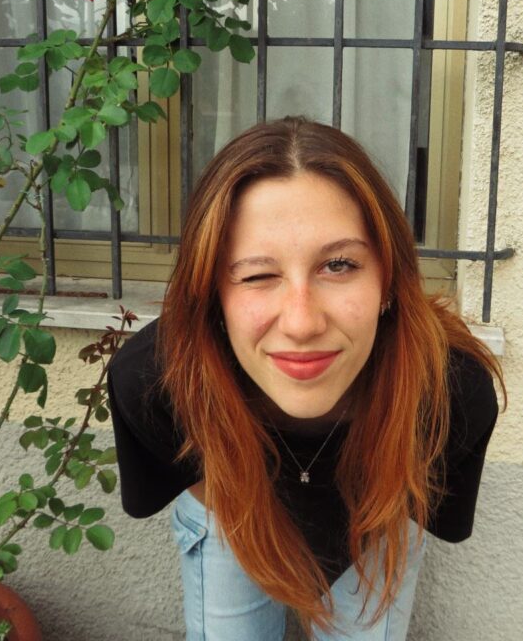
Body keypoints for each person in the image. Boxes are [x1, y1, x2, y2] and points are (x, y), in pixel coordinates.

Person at [108, 117, 503, 641]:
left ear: (388, 279)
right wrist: (264, 542)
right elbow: (201, 486)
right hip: (229, 503)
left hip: (380, 512)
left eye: (338, 265)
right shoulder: (156, 379)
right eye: (257, 274)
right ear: (211, 295)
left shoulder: (451, 390)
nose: (301, 323)